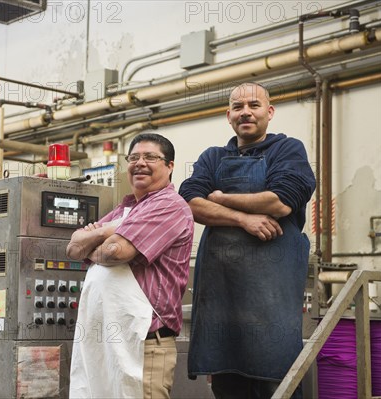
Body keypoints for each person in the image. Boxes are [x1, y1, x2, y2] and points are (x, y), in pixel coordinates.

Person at [179, 82, 316, 398]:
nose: (246, 112)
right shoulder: (213, 157)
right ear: (228, 116)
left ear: (269, 112)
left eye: (254, 105)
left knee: (277, 382)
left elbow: (280, 201)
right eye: (238, 107)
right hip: (222, 298)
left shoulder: (287, 149)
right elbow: (189, 202)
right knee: (228, 384)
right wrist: (244, 218)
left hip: (272, 298)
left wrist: (220, 197)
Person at [67, 132, 194, 399]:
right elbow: (74, 248)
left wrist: (101, 236)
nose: (140, 163)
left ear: (170, 166)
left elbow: (116, 252)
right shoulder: (125, 210)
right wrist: (110, 229)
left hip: (144, 346)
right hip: (108, 344)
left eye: (150, 157)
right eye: (134, 157)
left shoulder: (169, 205)